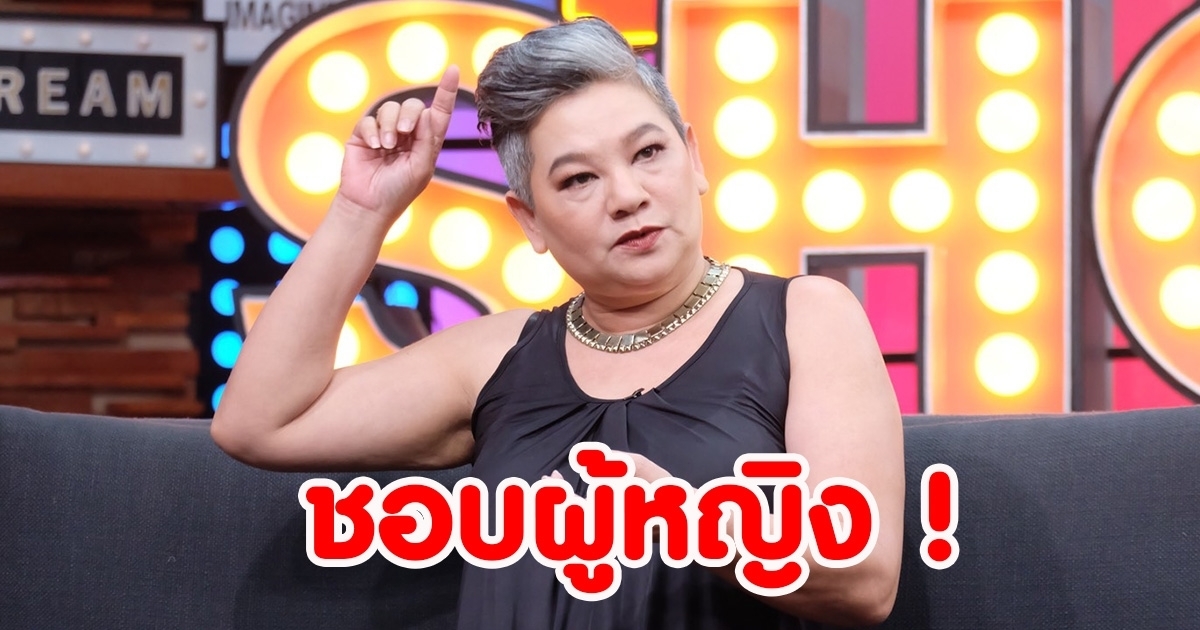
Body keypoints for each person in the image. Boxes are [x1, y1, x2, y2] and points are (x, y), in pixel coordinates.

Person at [211, 17, 904, 630]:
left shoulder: (803, 317)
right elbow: (258, 423)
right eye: (578, 180)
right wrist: (362, 212)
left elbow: (866, 579)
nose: (627, 196)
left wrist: (690, 521)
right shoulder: (497, 357)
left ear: (693, 158)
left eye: (648, 153)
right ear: (530, 221)